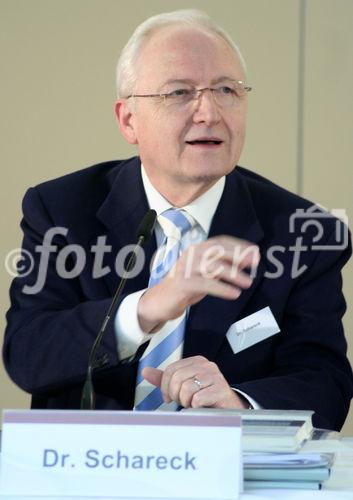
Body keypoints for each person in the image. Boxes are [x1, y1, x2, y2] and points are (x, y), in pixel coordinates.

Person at [3, 10, 353, 429]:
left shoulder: (304, 233)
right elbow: (27, 355)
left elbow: (326, 385)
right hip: (90, 470)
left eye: (227, 90)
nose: (209, 112)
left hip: (229, 481)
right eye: (179, 93)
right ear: (129, 120)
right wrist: (146, 309)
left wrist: (237, 403)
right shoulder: (61, 209)